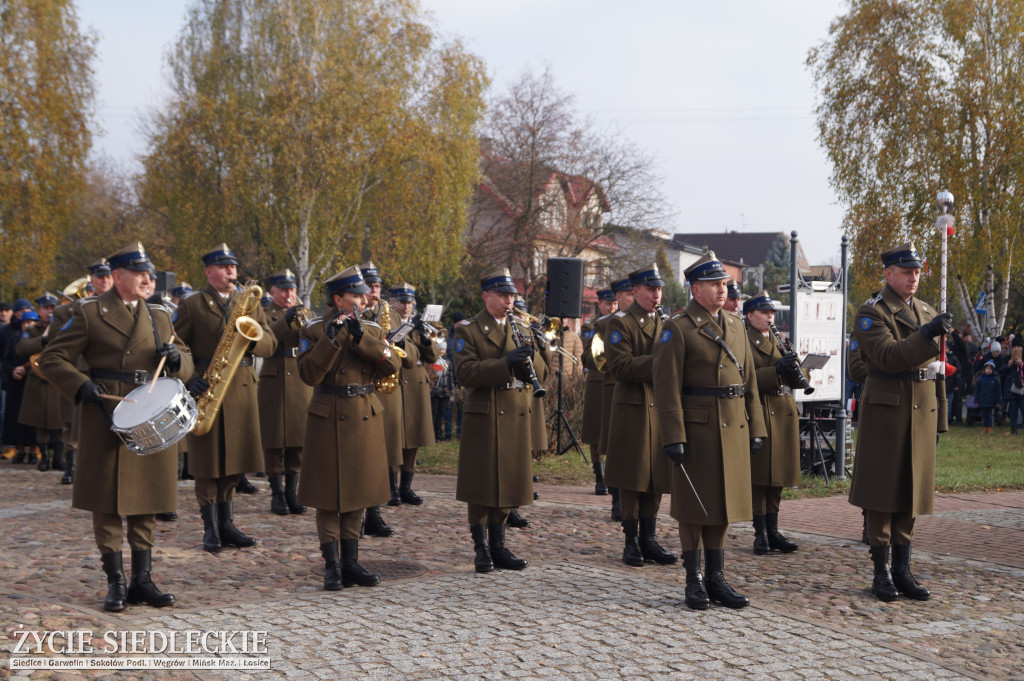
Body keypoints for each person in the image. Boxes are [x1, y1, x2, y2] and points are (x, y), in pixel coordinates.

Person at [38, 242, 193, 611]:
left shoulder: (159, 315)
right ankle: (116, 582)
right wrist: (81, 385)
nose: (148, 279)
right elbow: (52, 358)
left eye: (150, 274)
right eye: (140, 274)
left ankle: (143, 579)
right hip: (105, 413)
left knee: (147, 497)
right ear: (118, 276)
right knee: (105, 501)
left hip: (148, 410)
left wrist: (177, 360)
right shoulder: (89, 311)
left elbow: (185, 358)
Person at [653, 251, 766, 610]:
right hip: (697, 428)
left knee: (723, 504)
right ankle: (694, 580)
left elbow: (748, 383)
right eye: (714, 284)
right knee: (693, 507)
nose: (723, 289)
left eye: (724, 284)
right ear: (695, 289)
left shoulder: (736, 326)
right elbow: (666, 386)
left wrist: (756, 426)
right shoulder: (679, 327)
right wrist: (673, 435)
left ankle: (717, 577)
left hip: (733, 425)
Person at [848, 242, 949, 602]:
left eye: (917, 272)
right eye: (906, 272)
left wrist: (941, 418)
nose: (913, 278)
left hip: (921, 409)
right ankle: (880, 571)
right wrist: (927, 335)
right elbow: (889, 357)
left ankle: (903, 569)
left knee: (911, 490)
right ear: (889, 274)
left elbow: (935, 371)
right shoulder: (871, 312)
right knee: (882, 493)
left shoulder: (925, 310)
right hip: (887, 412)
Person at [295, 266, 401, 589]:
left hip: (363, 413)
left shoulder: (370, 327)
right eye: (356, 295)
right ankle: (332, 566)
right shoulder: (313, 328)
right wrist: (331, 340)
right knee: (328, 495)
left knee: (357, 491)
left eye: (363, 294)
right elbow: (308, 374)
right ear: (338, 299)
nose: (364, 298)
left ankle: (352, 562)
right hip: (327, 414)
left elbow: (393, 364)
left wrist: (361, 339)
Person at [174, 243, 277, 553]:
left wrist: (253, 338)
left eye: (233, 266)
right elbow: (177, 345)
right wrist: (188, 378)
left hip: (242, 386)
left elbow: (270, 342)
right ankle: (211, 528)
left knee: (234, 460)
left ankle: (228, 524)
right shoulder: (192, 304)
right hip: (207, 387)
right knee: (207, 462)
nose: (231, 271)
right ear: (208, 272)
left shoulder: (248, 302)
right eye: (223, 266)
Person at [453, 267, 550, 573]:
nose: (510, 301)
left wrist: (536, 352)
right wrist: (503, 364)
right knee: (482, 481)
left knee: (507, 480)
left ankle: (500, 545)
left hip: (515, 411)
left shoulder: (519, 328)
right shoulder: (468, 330)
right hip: (486, 411)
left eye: (512, 296)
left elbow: (542, 375)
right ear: (487, 296)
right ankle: (481, 547)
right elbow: (465, 373)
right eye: (504, 295)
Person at [604, 265, 676, 568]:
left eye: (659, 290)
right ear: (636, 291)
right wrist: (660, 361)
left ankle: (649, 538)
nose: (656, 295)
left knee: (656, 475)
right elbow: (620, 367)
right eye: (651, 289)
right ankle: (631, 541)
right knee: (633, 478)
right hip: (633, 407)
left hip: (659, 406)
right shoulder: (620, 323)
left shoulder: (665, 322)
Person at [743, 291, 804, 555]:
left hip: (782, 409)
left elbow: (793, 379)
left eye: (772, 313)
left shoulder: (778, 340)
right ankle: (760, 533)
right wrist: (776, 371)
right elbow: (745, 376)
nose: (770, 317)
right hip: (761, 408)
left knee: (777, 475)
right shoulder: (743, 340)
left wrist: (795, 366)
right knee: (760, 477)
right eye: (765, 312)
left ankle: (774, 529)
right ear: (750, 315)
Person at [258, 269, 313, 515]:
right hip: (274, 378)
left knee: (297, 438)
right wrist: (286, 319)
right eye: (283, 290)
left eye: (292, 289)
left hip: (299, 378)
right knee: (274, 439)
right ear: (273, 292)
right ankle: (276, 493)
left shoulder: (306, 313)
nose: (289, 294)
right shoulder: (263, 313)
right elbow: (264, 340)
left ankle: (293, 491)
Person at [358, 261, 400, 534]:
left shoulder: (389, 314)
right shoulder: (355, 314)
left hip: (383, 389)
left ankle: (374, 513)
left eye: (378, 286)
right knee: (362, 457)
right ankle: (359, 515)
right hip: (360, 389)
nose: (375, 292)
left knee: (380, 456)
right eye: (370, 287)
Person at [390, 282, 440, 505]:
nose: (406, 306)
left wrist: (425, 336)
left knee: (414, 437)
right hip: (398, 382)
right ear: (393, 302)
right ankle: (391, 487)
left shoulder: (417, 325)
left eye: (410, 302)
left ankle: (406, 487)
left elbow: (432, 356)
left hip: (417, 384)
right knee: (396, 437)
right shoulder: (388, 322)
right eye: (402, 302)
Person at [16, 294, 65, 471]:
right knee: (41, 421)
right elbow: (21, 347)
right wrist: (42, 340)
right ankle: (44, 458)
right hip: (39, 380)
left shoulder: (62, 328)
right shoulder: (32, 329)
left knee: (60, 421)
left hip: (58, 379)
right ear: (39, 311)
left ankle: (58, 458)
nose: (50, 311)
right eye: (46, 308)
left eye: (52, 308)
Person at [601, 278, 635, 520]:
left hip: (640, 390)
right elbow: (594, 359)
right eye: (626, 294)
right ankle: (616, 499)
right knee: (617, 448)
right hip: (613, 387)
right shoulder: (607, 324)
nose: (629, 298)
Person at [581, 288, 616, 495]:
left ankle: (613, 476)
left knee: (614, 430)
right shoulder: (591, 327)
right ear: (599, 304)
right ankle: (599, 477)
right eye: (607, 304)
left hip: (616, 381)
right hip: (597, 382)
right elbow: (586, 357)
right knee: (595, 431)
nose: (611, 307)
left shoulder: (622, 324)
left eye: (613, 304)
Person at [1, 299, 38, 463]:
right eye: (24, 322)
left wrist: (27, 369)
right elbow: (5, 359)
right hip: (16, 383)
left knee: (32, 418)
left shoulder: (39, 340)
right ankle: (20, 450)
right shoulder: (15, 338)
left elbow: (41, 359)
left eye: (30, 322)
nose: (27, 325)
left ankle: (33, 450)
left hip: (33, 383)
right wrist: (13, 370)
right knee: (16, 417)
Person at [973, 360, 1002, 434]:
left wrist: (998, 401)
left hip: (991, 401)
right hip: (982, 401)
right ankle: (985, 427)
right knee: (983, 415)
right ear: (984, 370)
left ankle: (990, 427)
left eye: (990, 369)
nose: (988, 370)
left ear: (993, 370)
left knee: (990, 415)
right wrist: (976, 401)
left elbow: (998, 391)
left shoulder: (995, 380)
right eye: (987, 369)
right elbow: (977, 391)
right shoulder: (980, 380)